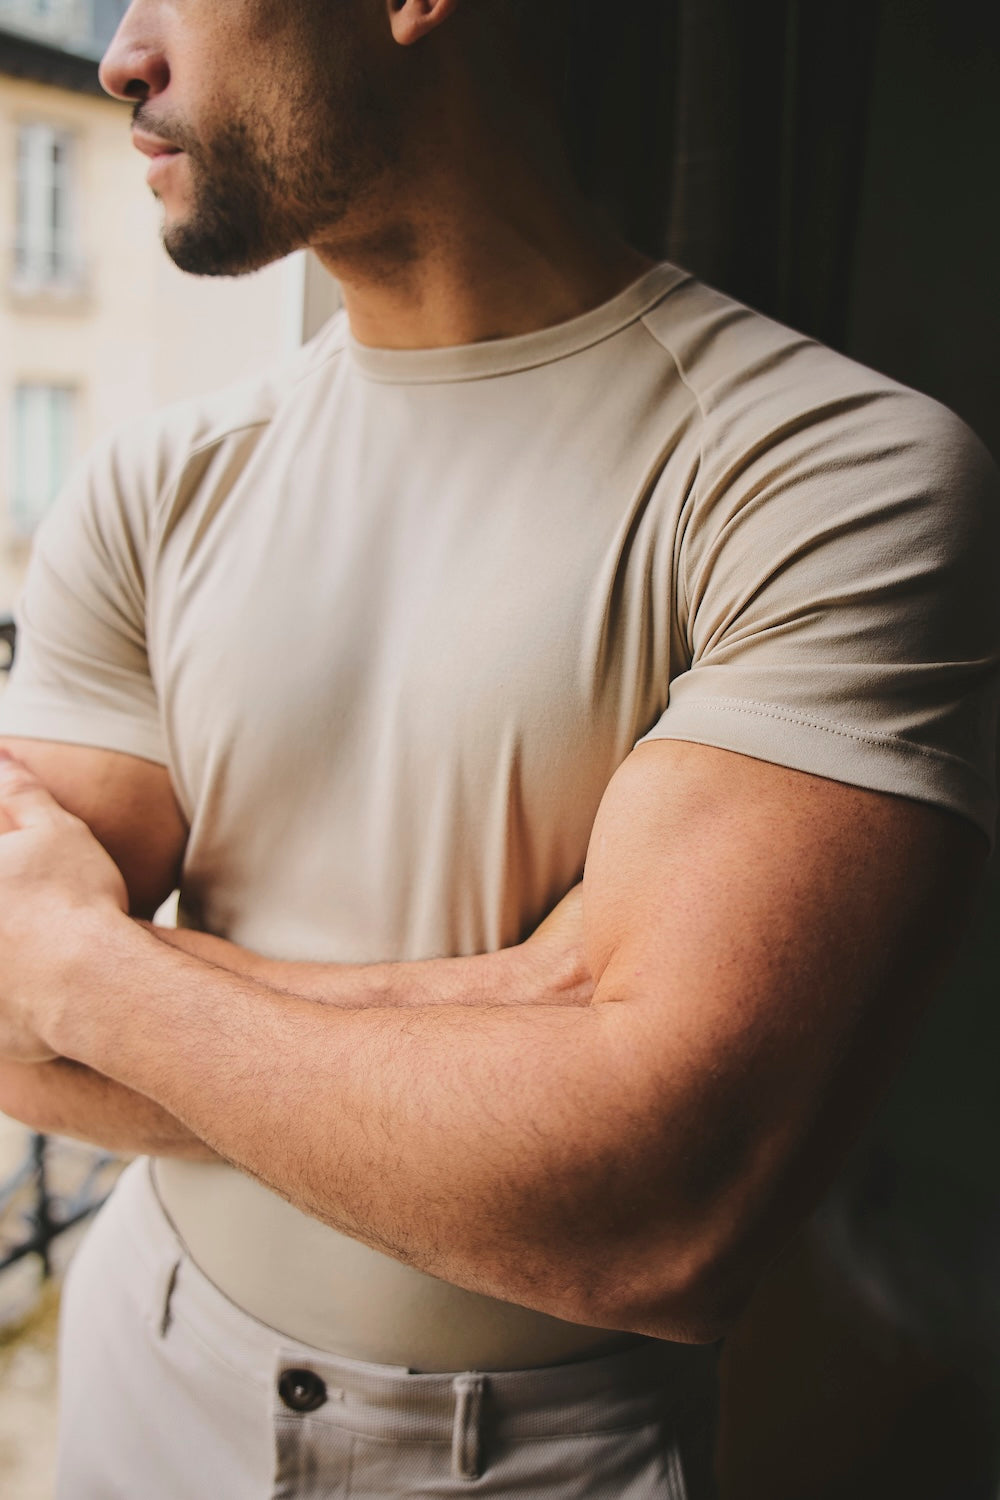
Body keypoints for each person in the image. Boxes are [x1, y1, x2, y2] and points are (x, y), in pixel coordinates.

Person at [0, 0, 997, 1495]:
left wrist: (90, 964)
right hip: (142, 1370)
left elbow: (660, 1207)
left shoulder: (831, 476)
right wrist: (541, 1014)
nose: (124, 55)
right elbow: (8, 1029)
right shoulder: (152, 483)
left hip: (529, 1461)